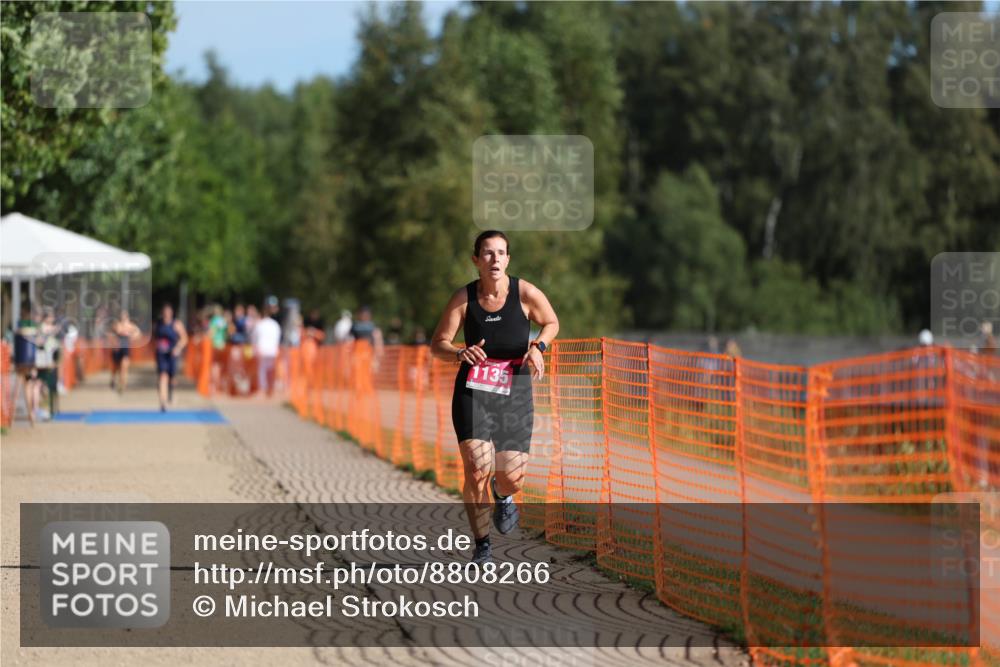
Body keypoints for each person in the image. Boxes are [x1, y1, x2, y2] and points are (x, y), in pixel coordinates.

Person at [430, 230, 559, 565]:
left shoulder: (525, 293)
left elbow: (551, 322)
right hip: (473, 391)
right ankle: (482, 545)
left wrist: (538, 347)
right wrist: (459, 353)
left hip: (514, 391)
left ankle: (503, 496)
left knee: (511, 476)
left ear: (508, 259)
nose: (495, 259)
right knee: (476, 469)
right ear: (476, 260)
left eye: (501, 253)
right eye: (487, 253)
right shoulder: (464, 299)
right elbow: (438, 343)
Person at [155, 304, 188, 412]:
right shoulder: (158, 324)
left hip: (172, 354)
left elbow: (184, 338)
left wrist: (178, 348)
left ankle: (171, 392)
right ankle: (163, 402)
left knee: (172, 379)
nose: (166, 315)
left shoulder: (176, 324)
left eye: (168, 313)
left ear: (171, 313)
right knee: (163, 376)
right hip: (161, 355)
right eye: (165, 312)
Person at [13, 306, 40, 426]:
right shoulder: (33, 326)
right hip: (31, 362)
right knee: (32, 386)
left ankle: (30, 413)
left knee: (26, 386)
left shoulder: (18, 325)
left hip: (20, 362)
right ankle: (32, 412)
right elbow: (38, 340)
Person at [34, 310, 61, 419]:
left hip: (50, 359)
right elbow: (41, 343)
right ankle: (40, 409)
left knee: (47, 386)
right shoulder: (43, 328)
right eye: (50, 316)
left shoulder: (50, 330)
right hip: (44, 361)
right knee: (41, 385)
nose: (52, 319)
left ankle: (45, 409)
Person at [253, 304, 282, 397]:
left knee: (262, 370)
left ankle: (263, 389)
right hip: (273, 350)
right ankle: (270, 389)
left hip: (262, 349)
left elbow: (255, 337)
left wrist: (255, 348)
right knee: (270, 369)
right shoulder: (275, 324)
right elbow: (278, 337)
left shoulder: (260, 324)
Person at [110, 310, 142, 394]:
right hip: (117, 349)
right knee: (116, 367)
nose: (123, 318)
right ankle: (113, 379)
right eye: (122, 316)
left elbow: (138, 333)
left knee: (124, 367)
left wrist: (133, 336)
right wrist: (114, 340)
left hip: (125, 349)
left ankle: (122, 385)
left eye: (125, 316)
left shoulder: (130, 326)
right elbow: (110, 334)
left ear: (127, 317)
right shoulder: (116, 325)